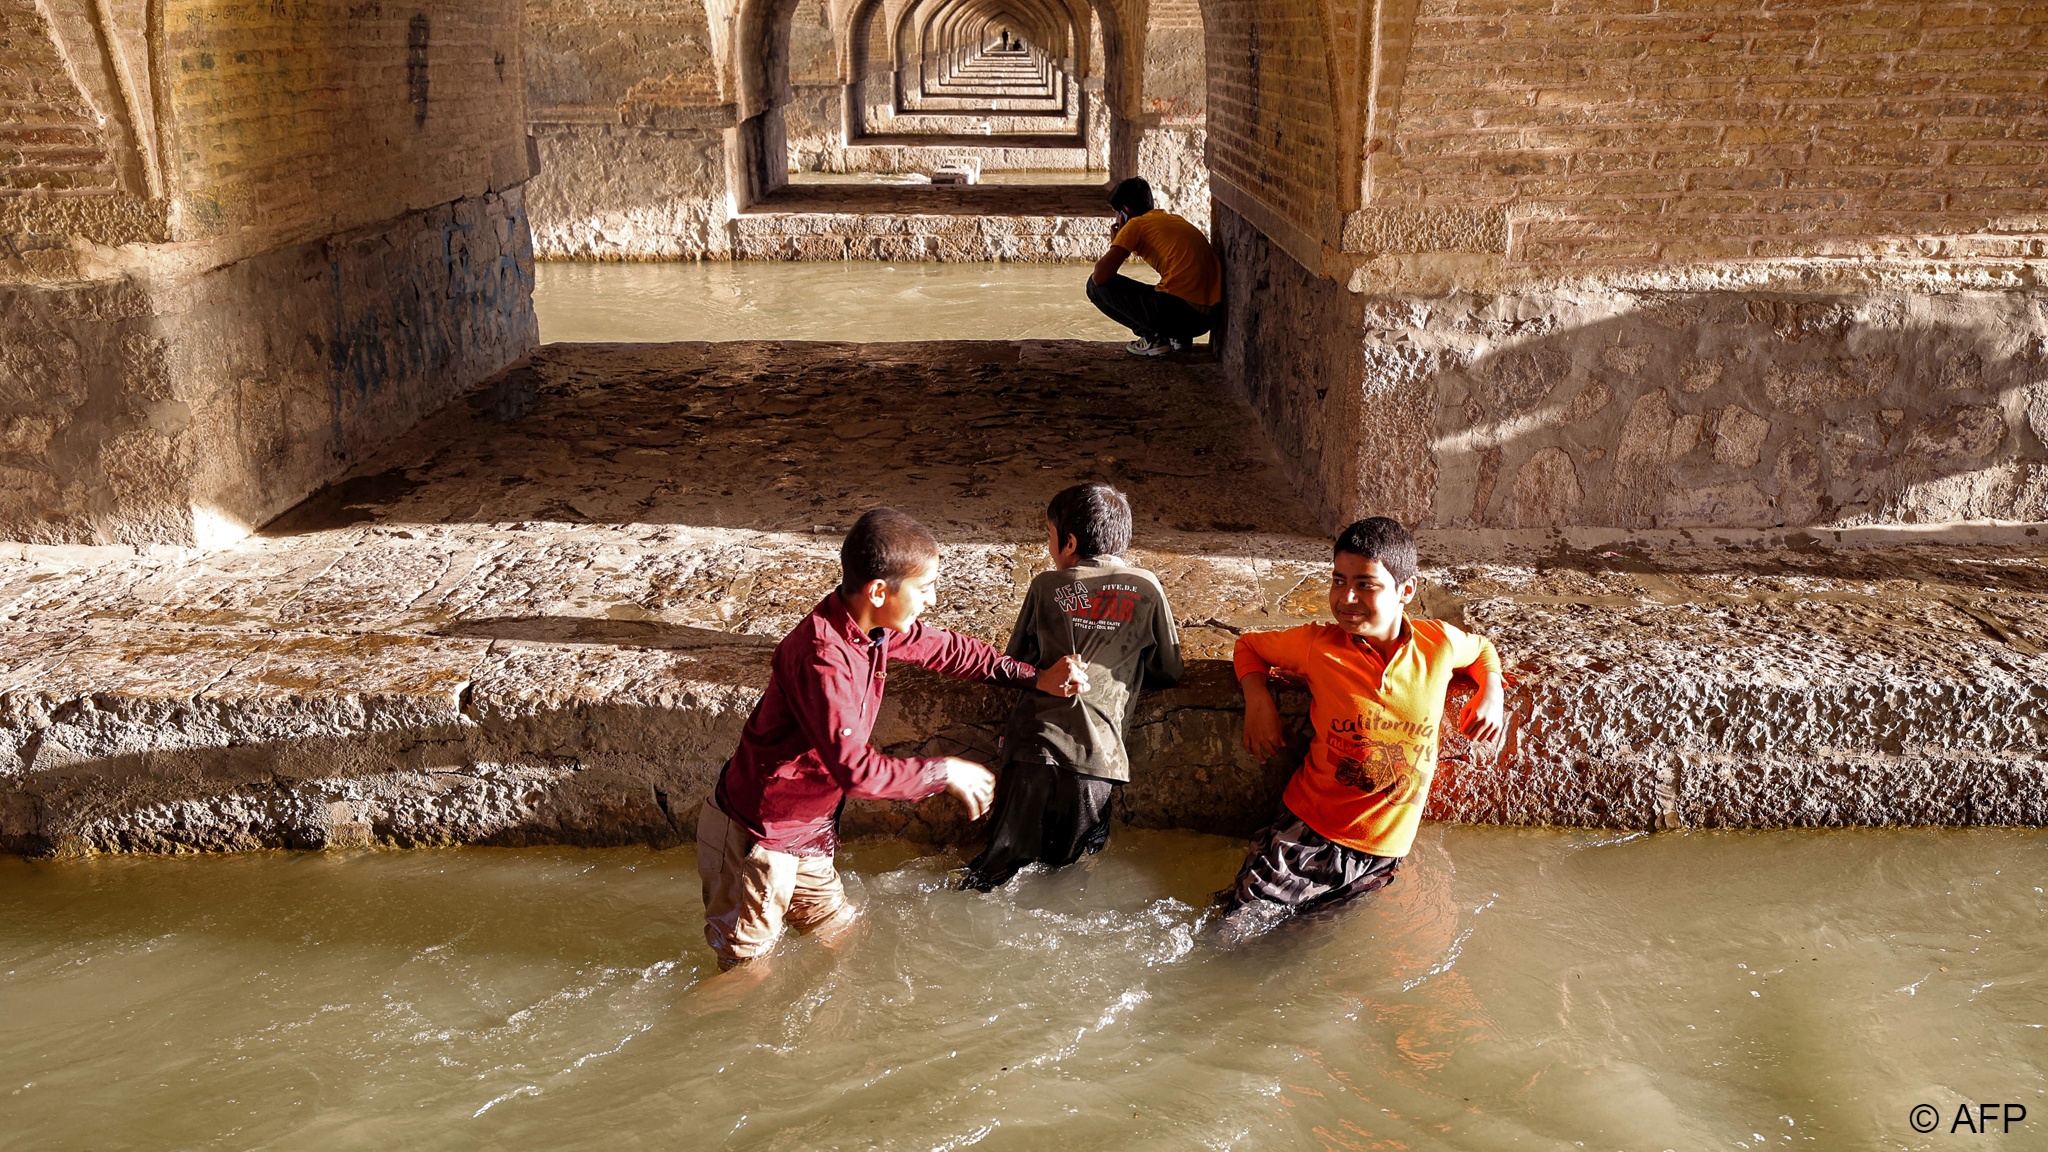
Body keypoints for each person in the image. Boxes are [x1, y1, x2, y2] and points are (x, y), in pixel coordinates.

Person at [698, 507, 1089, 970]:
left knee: (842, 937)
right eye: (924, 589)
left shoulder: (872, 628)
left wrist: (1035, 677)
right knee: (745, 976)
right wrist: (943, 771)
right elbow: (856, 772)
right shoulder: (824, 659)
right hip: (758, 841)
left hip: (804, 835)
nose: (932, 599)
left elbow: (948, 649)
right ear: (880, 591)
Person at [1214, 517, 1506, 941]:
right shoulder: (1319, 646)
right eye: (1338, 580)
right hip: (1308, 838)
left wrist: (1491, 691)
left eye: (1365, 584)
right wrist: (1258, 700)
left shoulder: (1437, 645)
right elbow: (1249, 646)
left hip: (1382, 858)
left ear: (1406, 591)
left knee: (1291, 949)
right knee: (1230, 937)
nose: (1346, 597)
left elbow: (1481, 649)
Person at [962, 483, 1182, 891]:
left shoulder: (1046, 586)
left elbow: (1018, 662)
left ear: (1070, 541)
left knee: (994, 871)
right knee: (1067, 876)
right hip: (1096, 760)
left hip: (1032, 745)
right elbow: (1169, 670)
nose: (1049, 548)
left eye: (1049, 536)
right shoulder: (1147, 587)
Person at [1086, 177, 1223, 357]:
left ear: (1126, 211)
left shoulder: (1135, 225)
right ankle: (1178, 338)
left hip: (1182, 313)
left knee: (1093, 286)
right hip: (1207, 318)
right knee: (1166, 285)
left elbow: (1101, 276)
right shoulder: (1170, 219)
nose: (1115, 219)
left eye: (1115, 212)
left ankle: (1153, 337)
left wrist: (1116, 241)